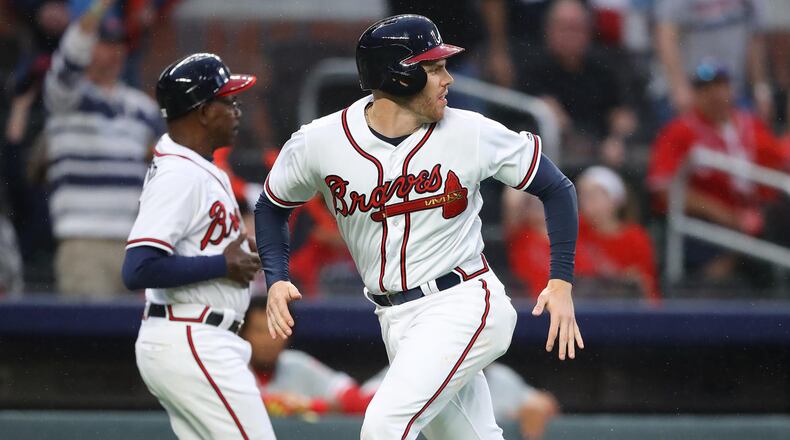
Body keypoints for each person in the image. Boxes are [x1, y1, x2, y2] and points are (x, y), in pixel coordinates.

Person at [255, 14, 583, 440]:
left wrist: (560, 281)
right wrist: (277, 278)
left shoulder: (470, 132)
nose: (447, 78)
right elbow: (272, 205)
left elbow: (557, 187)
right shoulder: (322, 141)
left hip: (463, 301)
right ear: (398, 75)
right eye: (433, 69)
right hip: (394, 316)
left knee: (383, 426)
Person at [122, 53, 275, 439]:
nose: (237, 110)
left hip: (197, 334)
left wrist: (233, 256)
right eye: (229, 101)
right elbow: (137, 269)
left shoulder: (194, 165)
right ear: (204, 112)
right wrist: (221, 265)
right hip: (192, 335)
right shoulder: (180, 174)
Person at [43, 0, 163, 296]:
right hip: (85, 243)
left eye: (119, 44)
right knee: (88, 337)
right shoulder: (65, 99)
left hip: (135, 244)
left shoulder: (143, 108)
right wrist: (97, 9)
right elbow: (69, 59)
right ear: (89, 47)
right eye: (106, 44)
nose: (115, 51)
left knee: (138, 338)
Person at [647, 61, 789, 279]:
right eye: (706, 88)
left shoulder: (750, 125)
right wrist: (727, 216)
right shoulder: (679, 131)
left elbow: (780, 162)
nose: (715, 93)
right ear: (696, 93)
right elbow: (663, 189)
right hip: (705, 226)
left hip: (758, 217)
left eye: (720, 85)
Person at [518, 0, 637, 167]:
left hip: (599, 161)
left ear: (589, 31)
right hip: (546, 161)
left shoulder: (603, 70)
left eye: (576, 28)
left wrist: (618, 137)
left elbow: (623, 115)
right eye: (563, 27)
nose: (570, 35)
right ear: (548, 29)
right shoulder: (530, 70)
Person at [241, 295, 374, 416]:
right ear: (243, 333)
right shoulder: (232, 366)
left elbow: (356, 401)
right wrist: (274, 403)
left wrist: (309, 406)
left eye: (276, 329)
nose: (268, 339)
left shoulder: (296, 364)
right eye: (259, 331)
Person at [362, 362, 561, 440]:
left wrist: (536, 407)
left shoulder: (498, 376)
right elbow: (363, 399)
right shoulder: (416, 364)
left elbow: (543, 403)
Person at [654, 0, 773, 122]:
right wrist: (679, 87)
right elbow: (666, 37)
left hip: (732, 90)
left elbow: (754, 40)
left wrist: (760, 88)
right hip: (692, 89)